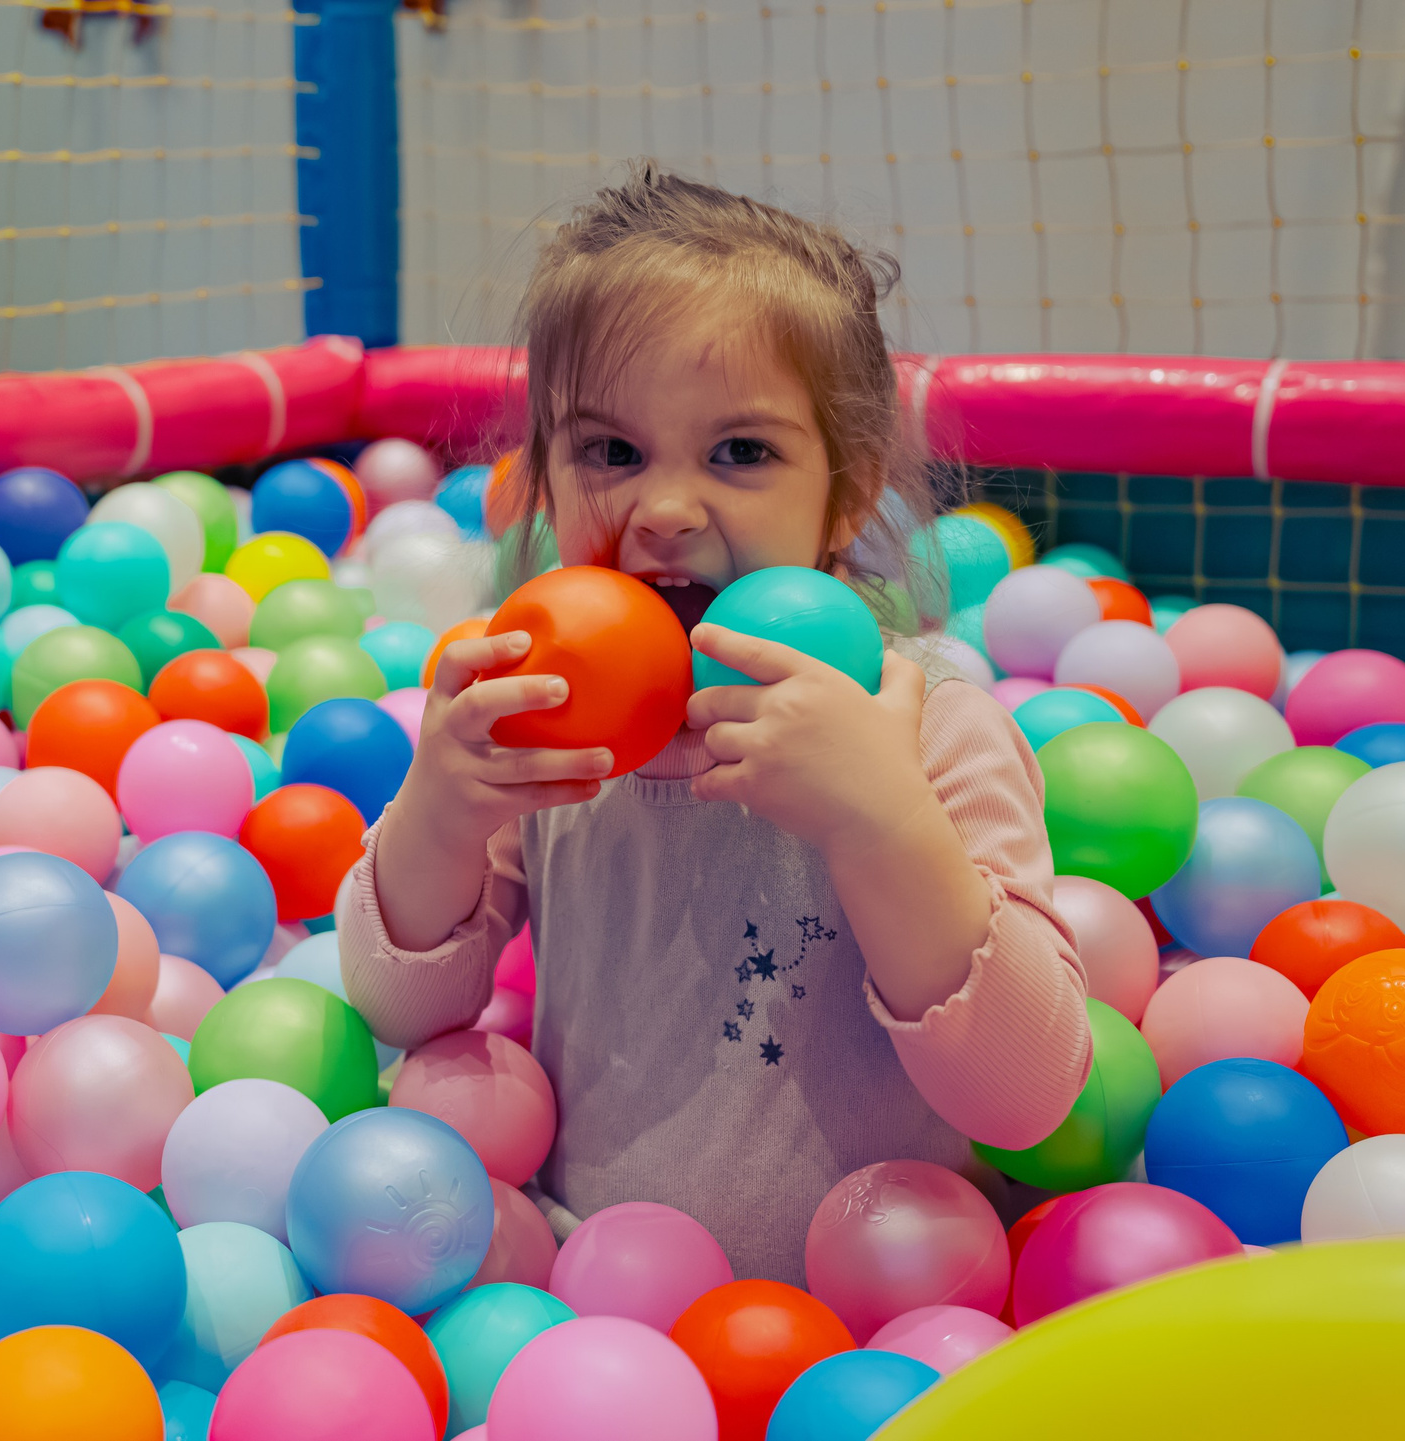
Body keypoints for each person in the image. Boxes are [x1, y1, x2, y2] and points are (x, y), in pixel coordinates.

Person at [337, 164, 1094, 1284]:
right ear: (541, 479)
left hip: (882, 1329)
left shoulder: (927, 731)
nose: (668, 509)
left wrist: (881, 822)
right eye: (609, 452)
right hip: (595, 1315)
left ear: (845, 492)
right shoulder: (539, 726)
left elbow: (1025, 1097)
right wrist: (441, 815)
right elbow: (406, 1003)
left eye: (741, 453)